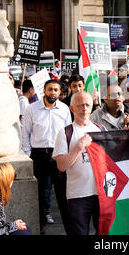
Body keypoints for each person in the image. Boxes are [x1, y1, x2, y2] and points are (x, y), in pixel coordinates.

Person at [21, 79, 72, 234]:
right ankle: (40, 225)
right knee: (40, 193)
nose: (53, 93)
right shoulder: (32, 109)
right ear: (44, 90)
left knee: (62, 193)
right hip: (39, 155)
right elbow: (25, 133)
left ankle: (70, 228)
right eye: (50, 89)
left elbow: (68, 133)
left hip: (58, 155)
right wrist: (28, 154)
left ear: (59, 92)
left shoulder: (64, 109)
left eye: (55, 90)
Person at [53, 91, 105, 235]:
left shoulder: (101, 130)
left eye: (88, 105)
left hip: (101, 193)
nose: (84, 108)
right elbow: (61, 166)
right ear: (72, 108)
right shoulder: (65, 133)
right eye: (80, 105)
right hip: (78, 195)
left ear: (92, 108)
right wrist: (78, 147)